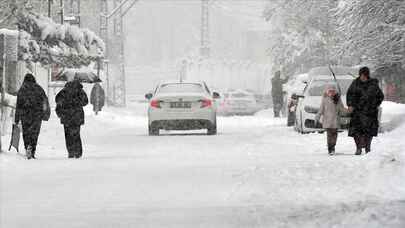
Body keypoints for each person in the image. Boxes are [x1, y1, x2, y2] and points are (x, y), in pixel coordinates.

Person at [346, 67, 384, 155]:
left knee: (369, 132)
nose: (362, 77)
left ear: (367, 75)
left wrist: (375, 104)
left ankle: (368, 148)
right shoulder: (355, 83)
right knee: (356, 131)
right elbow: (349, 95)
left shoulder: (373, 84)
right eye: (361, 75)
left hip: (370, 112)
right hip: (357, 112)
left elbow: (380, 96)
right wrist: (350, 105)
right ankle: (358, 148)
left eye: (364, 75)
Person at [15, 73, 49, 159]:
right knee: (34, 132)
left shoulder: (22, 89)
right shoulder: (39, 88)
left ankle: (27, 147)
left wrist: (17, 117)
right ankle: (32, 150)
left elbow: (18, 105)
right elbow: (44, 101)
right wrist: (45, 114)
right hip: (37, 114)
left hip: (25, 114)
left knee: (26, 132)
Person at [55, 79, 88, 158]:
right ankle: (78, 152)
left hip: (66, 116)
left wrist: (64, 105)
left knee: (68, 134)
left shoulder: (64, 91)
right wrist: (77, 102)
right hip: (77, 116)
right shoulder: (80, 91)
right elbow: (85, 102)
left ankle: (71, 151)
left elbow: (57, 100)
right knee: (76, 134)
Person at [315, 86, 349, 155]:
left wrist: (348, 111)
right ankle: (330, 148)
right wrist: (317, 117)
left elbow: (341, 108)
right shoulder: (325, 99)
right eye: (330, 91)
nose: (331, 93)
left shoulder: (337, 99)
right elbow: (321, 109)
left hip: (335, 120)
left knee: (334, 135)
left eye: (333, 91)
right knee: (329, 135)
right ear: (327, 92)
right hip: (327, 120)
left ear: (335, 92)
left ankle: (333, 146)